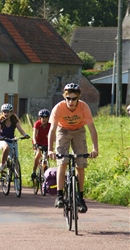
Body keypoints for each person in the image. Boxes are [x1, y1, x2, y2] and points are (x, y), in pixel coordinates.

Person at [47, 83, 98, 213]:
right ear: (65, 97)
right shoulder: (58, 108)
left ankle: (80, 198)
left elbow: (92, 129)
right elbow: (52, 130)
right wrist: (50, 149)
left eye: (73, 98)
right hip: (62, 131)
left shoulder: (84, 107)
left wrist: (95, 149)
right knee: (62, 162)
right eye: (68, 98)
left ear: (78, 98)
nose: (70, 101)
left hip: (79, 131)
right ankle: (59, 196)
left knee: (80, 164)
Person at [0, 103, 30, 173]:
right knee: (6, 147)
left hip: (12, 140)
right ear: (2, 112)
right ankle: (2, 164)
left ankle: (17, 179)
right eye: (4, 112)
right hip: (2, 140)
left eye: (8, 112)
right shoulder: (0, 121)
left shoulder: (14, 121)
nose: (6, 113)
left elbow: (21, 130)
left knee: (15, 159)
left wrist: (25, 135)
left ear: (11, 112)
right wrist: (0, 137)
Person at [31, 109, 51, 180]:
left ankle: (45, 174)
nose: (44, 119)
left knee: (46, 158)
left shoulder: (50, 125)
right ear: (40, 118)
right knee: (38, 154)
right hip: (38, 143)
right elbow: (34, 135)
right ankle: (34, 172)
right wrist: (35, 143)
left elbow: (53, 135)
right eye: (42, 117)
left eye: (46, 117)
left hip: (46, 143)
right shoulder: (37, 124)